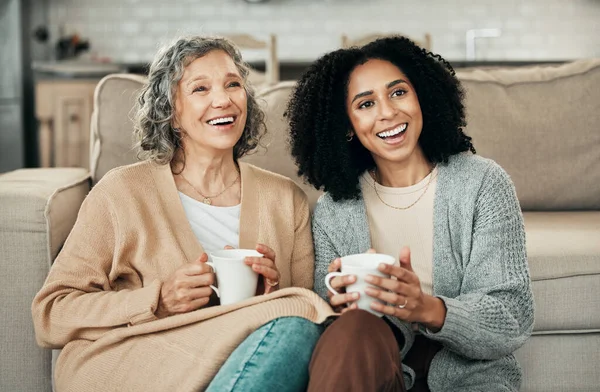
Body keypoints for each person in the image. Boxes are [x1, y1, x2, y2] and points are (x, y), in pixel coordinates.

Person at [31, 36, 334, 392]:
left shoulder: (286, 200)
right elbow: (51, 313)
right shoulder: (121, 192)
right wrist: (158, 300)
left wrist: (271, 296)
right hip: (138, 363)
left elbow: (302, 318)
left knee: (299, 327)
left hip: (239, 362)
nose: (223, 100)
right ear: (171, 110)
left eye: (233, 84)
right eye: (200, 88)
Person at [286, 36, 534, 392]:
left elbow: (511, 320)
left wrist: (425, 308)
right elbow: (327, 328)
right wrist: (337, 308)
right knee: (352, 328)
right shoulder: (335, 210)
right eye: (366, 103)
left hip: (469, 379)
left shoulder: (483, 184)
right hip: (375, 370)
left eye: (398, 92)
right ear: (347, 126)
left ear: (423, 97)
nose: (387, 112)